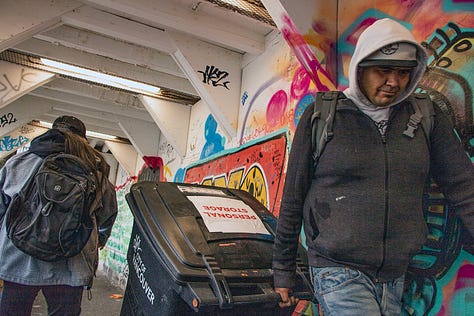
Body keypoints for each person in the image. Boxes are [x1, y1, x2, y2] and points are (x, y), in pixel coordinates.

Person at [272, 18, 474, 315]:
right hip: (336, 269)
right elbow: (292, 198)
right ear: (360, 67)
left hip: (395, 275)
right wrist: (282, 270)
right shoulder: (322, 116)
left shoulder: (425, 118)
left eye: (404, 73)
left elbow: (463, 187)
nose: (394, 82)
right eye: (383, 70)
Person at [0, 116, 118, 316]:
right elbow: (106, 216)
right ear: (84, 138)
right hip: (72, 261)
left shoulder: (19, 163)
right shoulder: (96, 174)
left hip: (19, 257)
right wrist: (99, 240)